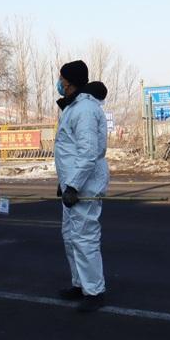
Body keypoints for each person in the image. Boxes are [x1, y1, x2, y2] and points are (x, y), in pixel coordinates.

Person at [54, 61, 110, 313]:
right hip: (74, 185)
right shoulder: (74, 107)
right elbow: (69, 152)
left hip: (84, 188)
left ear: (71, 81)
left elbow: (88, 154)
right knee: (71, 237)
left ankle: (94, 291)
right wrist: (63, 183)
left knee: (85, 238)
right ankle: (80, 283)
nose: (59, 83)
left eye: (62, 79)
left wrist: (74, 186)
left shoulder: (85, 110)